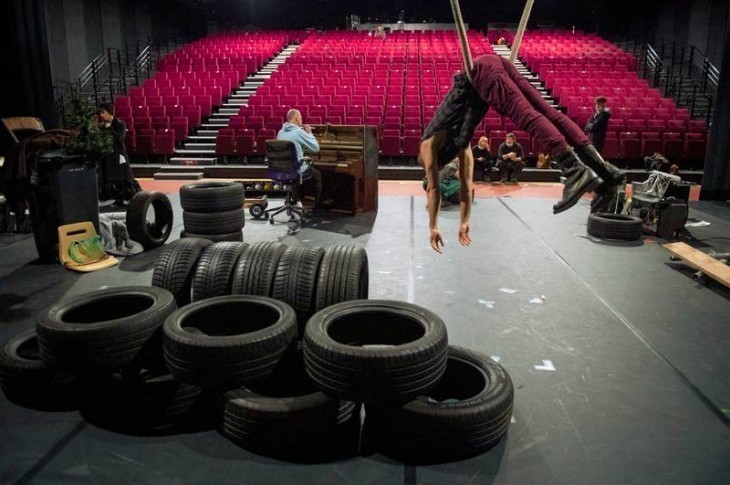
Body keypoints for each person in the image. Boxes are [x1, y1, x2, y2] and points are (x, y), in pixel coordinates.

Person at [418, 54, 625, 252]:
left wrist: (433, 227)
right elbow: (465, 187)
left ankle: (574, 170)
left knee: (525, 116)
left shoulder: (428, 144)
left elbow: (434, 189)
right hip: (494, 66)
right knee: (549, 112)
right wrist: (464, 222)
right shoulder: (460, 145)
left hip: (482, 73)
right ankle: (605, 170)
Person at [276, 109, 325, 212]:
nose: (302, 119)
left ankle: (298, 199)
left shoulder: (280, 132)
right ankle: (316, 206)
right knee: (318, 174)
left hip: (283, 169)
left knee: (302, 171)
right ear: (296, 118)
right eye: (301, 117)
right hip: (296, 170)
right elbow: (316, 148)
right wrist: (310, 133)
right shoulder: (299, 132)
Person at [97, 103, 140, 205]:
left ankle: (125, 198)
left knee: (122, 177)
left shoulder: (120, 124)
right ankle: (116, 198)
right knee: (110, 178)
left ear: (109, 112)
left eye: (103, 113)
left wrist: (109, 128)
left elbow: (119, 139)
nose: (101, 115)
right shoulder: (102, 126)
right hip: (107, 156)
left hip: (118, 154)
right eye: (100, 113)